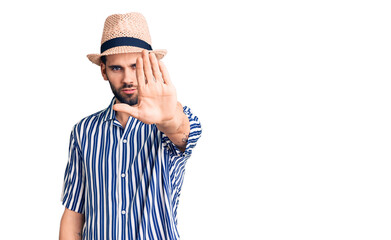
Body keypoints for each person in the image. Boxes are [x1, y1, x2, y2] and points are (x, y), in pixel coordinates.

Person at [59, 12, 202, 240]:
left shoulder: (165, 122)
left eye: (136, 66)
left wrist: (168, 120)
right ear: (103, 71)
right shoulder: (83, 131)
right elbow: (74, 212)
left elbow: (183, 132)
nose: (128, 78)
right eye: (117, 68)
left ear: (151, 67)